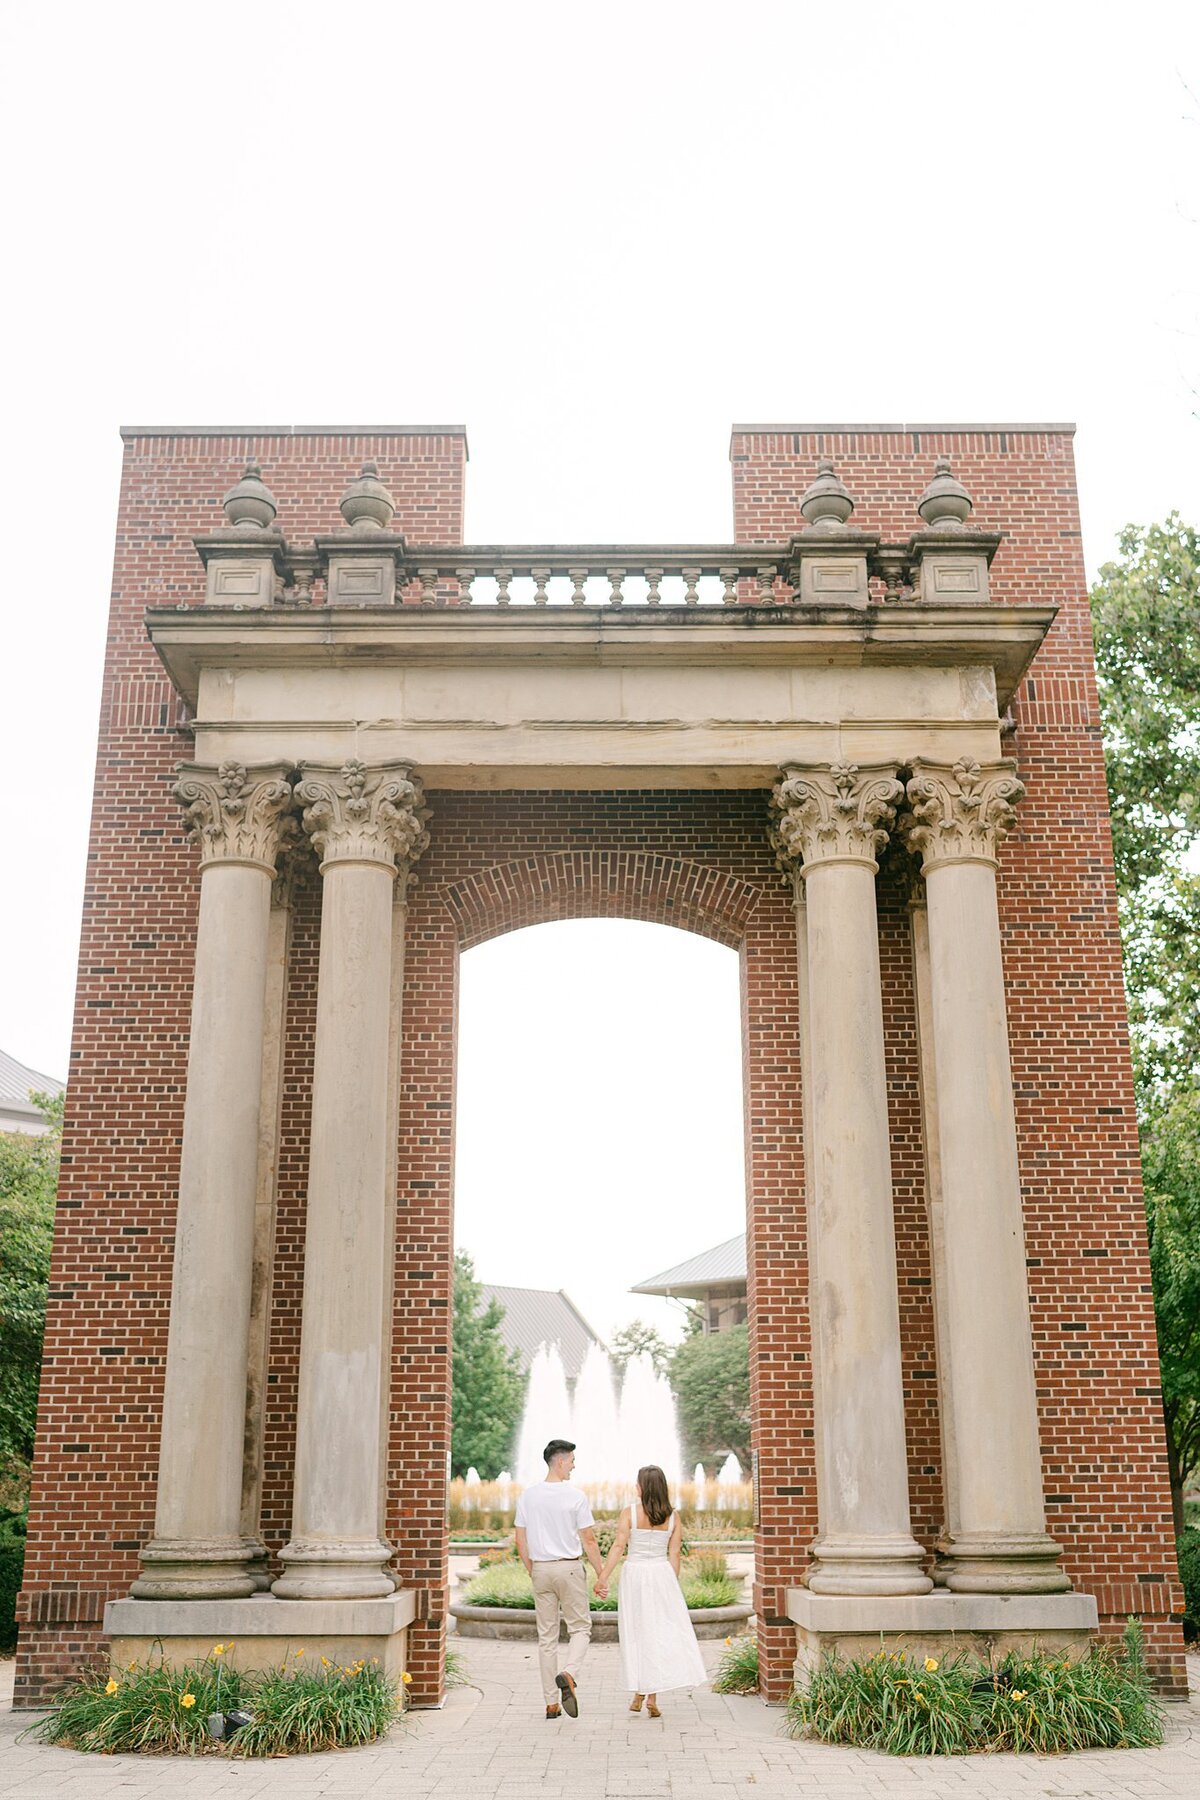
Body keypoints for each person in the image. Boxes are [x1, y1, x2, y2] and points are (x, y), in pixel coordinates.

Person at [595, 1463, 706, 1717]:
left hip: (635, 1574)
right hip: (662, 1574)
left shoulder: (629, 1513)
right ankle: (650, 1697)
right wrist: (671, 1584)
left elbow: (617, 1547)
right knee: (657, 1633)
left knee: (637, 1632)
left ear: (642, 1488)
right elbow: (674, 1553)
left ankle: (640, 1692)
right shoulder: (673, 1517)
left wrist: (602, 1578)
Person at [514, 1437, 606, 1719]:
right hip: (568, 1568)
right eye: (572, 1462)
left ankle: (551, 1704)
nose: (574, 1467)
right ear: (561, 1461)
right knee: (580, 1628)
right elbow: (589, 1540)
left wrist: (533, 1569)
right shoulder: (575, 1496)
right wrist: (602, 1574)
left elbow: (521, 1538)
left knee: (547, 1638)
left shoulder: (528, 1496)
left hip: (541, 1569)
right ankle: (569, 1673)